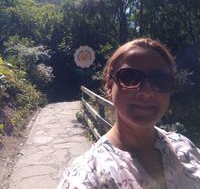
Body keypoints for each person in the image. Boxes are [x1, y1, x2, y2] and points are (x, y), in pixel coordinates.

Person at [57, 37, 200, 189]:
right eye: (130, 78)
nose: (146, 92)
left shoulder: (184, 147)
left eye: (160, 80)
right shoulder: (87, 177)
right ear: (110, 85)